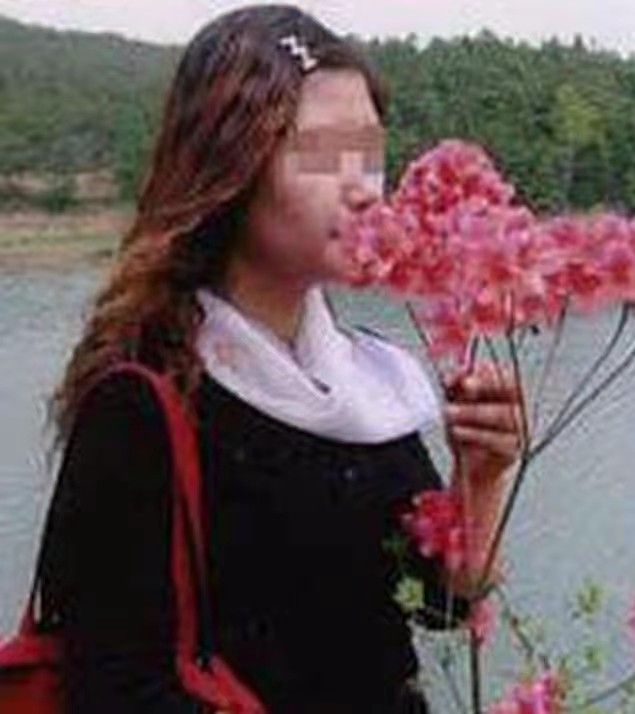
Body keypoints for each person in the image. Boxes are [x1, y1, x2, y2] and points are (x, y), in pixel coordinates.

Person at [39, 4, 523, 712]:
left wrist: (479, 479)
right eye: (322, 153)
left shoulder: (363, 382)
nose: (363, 188)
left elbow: (439, 603)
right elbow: (113, 688)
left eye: (370, 153)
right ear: (231, 165)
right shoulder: (144, 397)